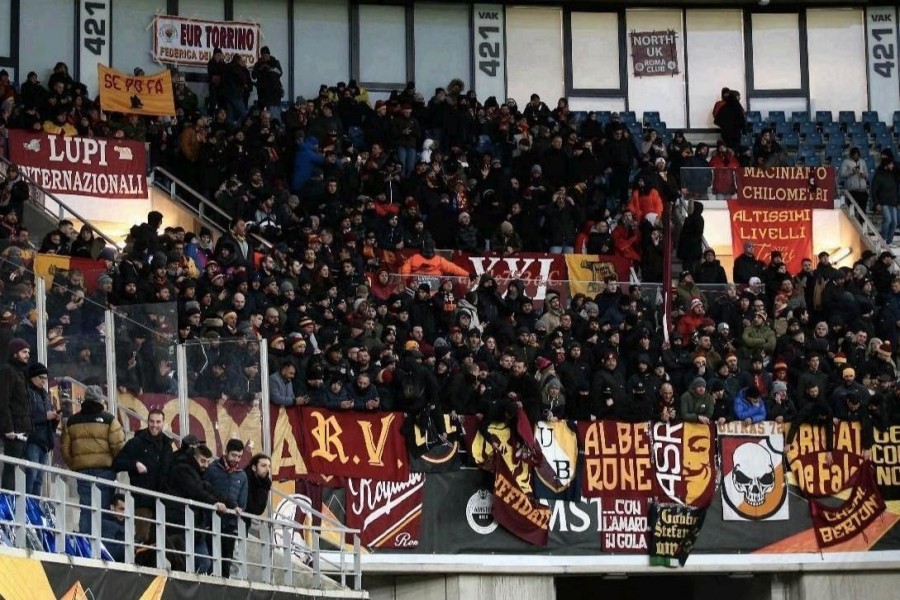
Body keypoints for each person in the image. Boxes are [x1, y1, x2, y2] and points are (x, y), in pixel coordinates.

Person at [61, 385, 125, 534]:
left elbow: (65, 449)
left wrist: (76, 465)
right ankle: (98, 543)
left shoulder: (72, 421)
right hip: (105, 471)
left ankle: (85, 541)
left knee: (86, 507)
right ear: (101, 400)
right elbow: (118, 446)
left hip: (82, 471)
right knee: (102, 509)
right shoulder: (109, 420)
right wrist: (114, 465)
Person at [113, 408, 174, 543]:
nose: (155, 425)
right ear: (147, 422)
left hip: (161, 503)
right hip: (142, 502)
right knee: (142, 541)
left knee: (158, 544)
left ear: (163, 423)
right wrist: (135, 465)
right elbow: (118, 463)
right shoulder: (137, 442)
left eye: (158, 422)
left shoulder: (167, 446)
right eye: (152, 421)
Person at [166, 444, 228, 575]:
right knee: (186, 562)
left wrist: (233, 505)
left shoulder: (200, 475)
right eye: (202, 461)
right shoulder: (182, 470)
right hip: (180, 524)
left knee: (204, 563)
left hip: (196, 527)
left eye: (207, 462)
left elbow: (211, 491)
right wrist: (215, 503)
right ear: (194, 458)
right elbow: (196, 491)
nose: (205, 465)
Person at [204, 438, 248, 577]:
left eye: (239, 456)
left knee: (226, 563)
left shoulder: (242, 475)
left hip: (230, 525)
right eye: (233, 455)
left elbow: (242, 502)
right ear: (226, 452)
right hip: (211, 522)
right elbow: (205, 490)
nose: (236, 459)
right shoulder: (212, 469)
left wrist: (239, 508)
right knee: (210, 560)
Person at [0, 338, 32, 491]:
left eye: (28, 352)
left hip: (21, 428)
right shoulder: (7, 371)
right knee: (11, 468)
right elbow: (3, 401)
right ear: (14, 353)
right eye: (24, 352)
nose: (27, 355)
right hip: (13, 431)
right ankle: (7, 501)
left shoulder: (20, 372)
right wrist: (8, 428)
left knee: (17, 468)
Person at [24, 362, 57, 496]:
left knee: (39, 480)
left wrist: (55, 419)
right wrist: (45, 416)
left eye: (45, 378)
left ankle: (34, 508)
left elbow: (48, 421)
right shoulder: (27, 393)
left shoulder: (45, 395)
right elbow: (26, 418)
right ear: (32, 377)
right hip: (33, 439)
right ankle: (26, 505)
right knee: (31, 475)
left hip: (44, 441)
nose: (43, 381)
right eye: (41, 378)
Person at [251, 47, 284, 120]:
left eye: (267, 55)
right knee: (263, 113)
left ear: (269, 55)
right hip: (262, 93)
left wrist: (269, 68)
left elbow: (280, 73)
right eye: (264, 55)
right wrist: (260, 69)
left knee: (275, 112)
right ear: (261, 56)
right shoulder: (258, 64)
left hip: (274, 93)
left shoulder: (275, 62)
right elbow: (253, 76)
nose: (265, 57)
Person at [873, 156, 899, 245]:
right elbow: (874, 190)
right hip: (883, 202)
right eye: (891, 164)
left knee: (895, 222)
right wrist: (876, 203)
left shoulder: (893, 175)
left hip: (893, 202)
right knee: (888, 220)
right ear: (886, 165)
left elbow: (896, 189)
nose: (893, 166)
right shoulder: (878, 175)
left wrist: (898, 202)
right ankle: (883, 238)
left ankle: (889, 241)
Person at [840, 147, 870, 213]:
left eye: (857, 155)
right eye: (854, 155)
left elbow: (867, 175)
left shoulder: (862, 162)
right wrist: (852, 171)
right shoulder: (846, 162)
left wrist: (863, 175)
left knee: (863, 211)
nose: (856, 157)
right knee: (852, 210)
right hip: (852, 191)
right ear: (851, 155)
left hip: (862, 190)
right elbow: (842, 174)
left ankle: (862, 223)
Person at [101, 493, 127, 562]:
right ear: (112, 508)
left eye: (126, 510)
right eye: (121, 509)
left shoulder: (125, 525)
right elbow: (108, 552)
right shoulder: (107, 525)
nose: (124, 513)